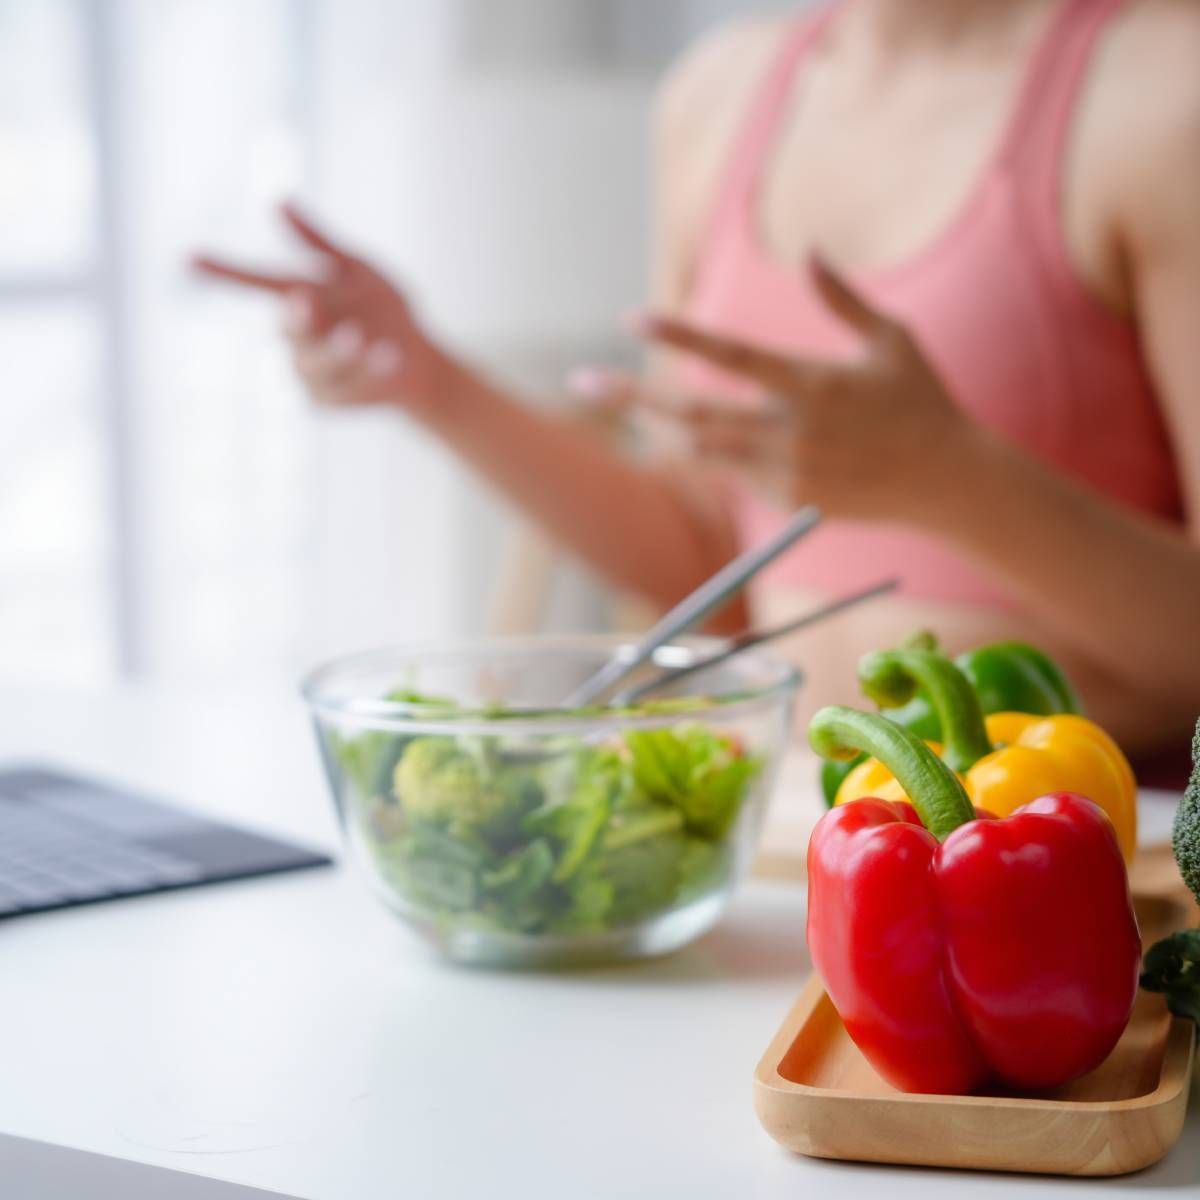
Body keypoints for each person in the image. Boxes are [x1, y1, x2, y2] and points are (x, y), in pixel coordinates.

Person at [195, 0, 1200, 767]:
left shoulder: (1166, 90)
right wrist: (434, 384)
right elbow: (703, 563)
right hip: (811, 846)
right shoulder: (716, 98)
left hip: (1107, 870)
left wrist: (954, 478)